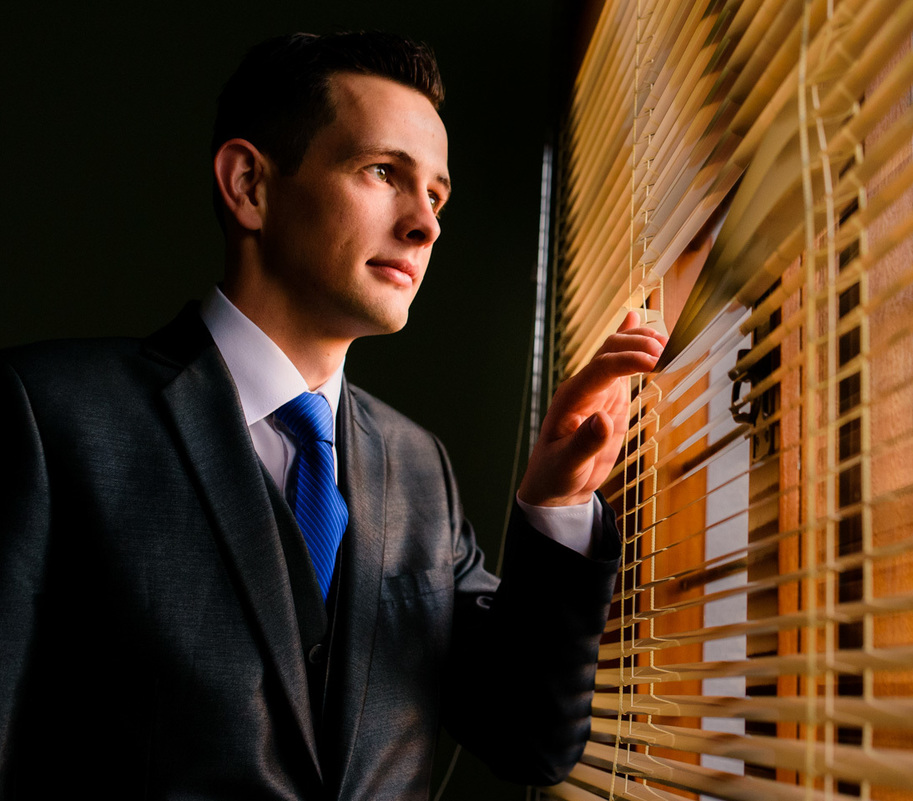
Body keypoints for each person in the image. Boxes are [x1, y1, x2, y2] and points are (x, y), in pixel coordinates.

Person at [0, 31, 664, 799]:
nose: (426, 225)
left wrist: (558, 502)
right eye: (384, 173)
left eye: (438, 195)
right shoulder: (45, 417)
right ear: (248, 184)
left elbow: (529, 739)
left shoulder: (421, 467)